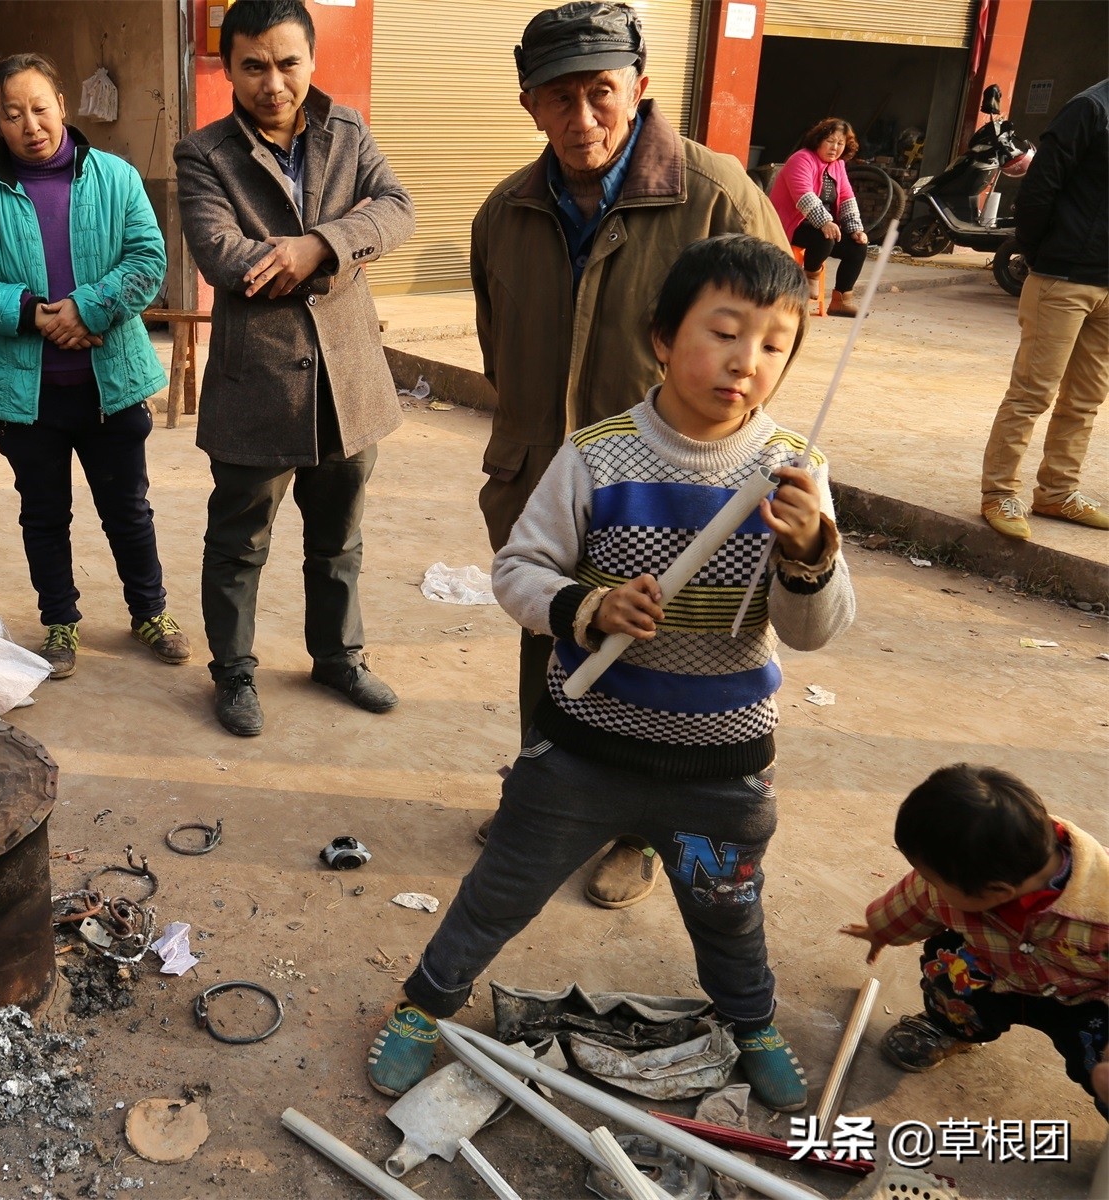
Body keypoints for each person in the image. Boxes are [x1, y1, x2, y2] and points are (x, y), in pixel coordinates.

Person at [365, 236, 856, 1113]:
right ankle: (425, 1004)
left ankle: (753, 1021)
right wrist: (587, 609)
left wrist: (813, 550)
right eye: (726, 332)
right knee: (500, 892)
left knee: (728, 913)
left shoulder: (794, 474)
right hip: (582, 757)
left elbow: (813, 632)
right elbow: (519, 572)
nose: (747, 362)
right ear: (664, 338)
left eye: (775, 344)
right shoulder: (598, 455)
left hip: (722, 774)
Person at [471, 1, 787, 906]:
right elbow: (501, 350)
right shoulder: (507, 212)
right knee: (555, 637)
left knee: (659, 660)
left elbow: (767, 347)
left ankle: (638, 832)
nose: (582, 121)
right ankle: (549, 802)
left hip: (673, 487)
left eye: (600, 95)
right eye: (559, 99)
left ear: (640, 88)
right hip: (543, 474)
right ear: (529, 103)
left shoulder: (717, 195)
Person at [174, 0, 414, 737]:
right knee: (239, 540)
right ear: (230, 67)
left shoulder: (347, 131)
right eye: (253, 65)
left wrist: (323, 245)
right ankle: (234, 673)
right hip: (259, 388)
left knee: (339, 537)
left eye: (286, 63)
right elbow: (223, 255)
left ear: (311, 61)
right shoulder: (204, 154)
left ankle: (338, 657)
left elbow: (397, 209)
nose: (272, 82)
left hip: (349, 383)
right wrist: (330, 257)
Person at [0, 53, 189, 679]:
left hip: (111, 383)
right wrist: (33, 313)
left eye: (39, 107)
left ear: (62, 104)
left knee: (127, 508)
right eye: (12, 113)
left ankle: (150, 611)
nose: (30, 124)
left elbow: (147, 259)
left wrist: (86, 310)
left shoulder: (116, 177)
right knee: (43, 513)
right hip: (27, 396)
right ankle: (59, 621)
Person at [842, 764, 1107, 1117]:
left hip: (1083, 997)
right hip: (989, 968)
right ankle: (952, 1026)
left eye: (935, 880)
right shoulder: (972, 867)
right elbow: (916, 897)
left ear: (997, 892)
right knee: (950, 969)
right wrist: (882, 930)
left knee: (1098, 1065)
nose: (927, 883)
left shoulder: (1100, 911)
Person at [978, 78, 1109, 540]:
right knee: (1033, 392)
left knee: (1086, 399)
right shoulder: (1090, 109)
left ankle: (1058, 491)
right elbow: (1040, 187)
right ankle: (999, 493)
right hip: (1064, 278)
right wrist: (1037, 254)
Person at [769, 118, 870, 317]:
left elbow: (847, 197)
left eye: (840, 143)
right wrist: (825, 222)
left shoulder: (838, 165)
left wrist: (855, 229)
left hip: (822, 228)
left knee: (858, 246)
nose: (835, 147)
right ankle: (811, 276)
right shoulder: (801, 159)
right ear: (818, 140)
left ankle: (841, 301)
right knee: (825, 236)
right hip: (792, 225)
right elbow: (803, 194)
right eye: (830, 141)